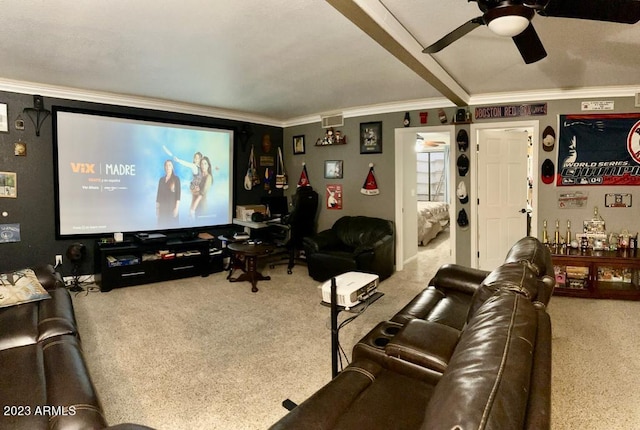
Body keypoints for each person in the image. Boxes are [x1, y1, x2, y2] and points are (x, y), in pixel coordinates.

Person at [156, 160, 181, 227]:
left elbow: (178, 195)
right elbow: (158, 195)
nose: (168, 167)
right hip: (162, 209)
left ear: (172, 167)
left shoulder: (176, 179)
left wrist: (176, 208)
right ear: (164, 167)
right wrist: (157, 209)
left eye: (169, 165)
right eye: (166, 165)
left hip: (172, 208)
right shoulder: (161, 180)